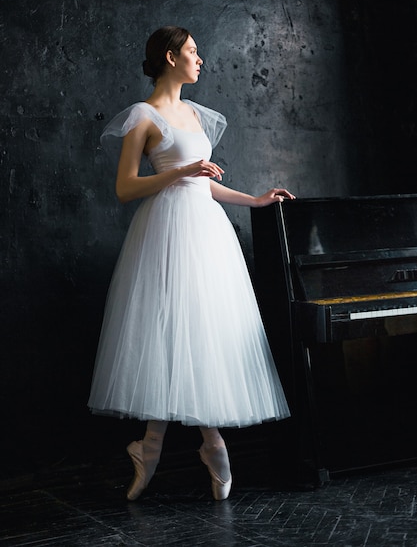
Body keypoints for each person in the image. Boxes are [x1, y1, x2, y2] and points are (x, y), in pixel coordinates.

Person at [88, 26, 295, 502]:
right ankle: (205, 444)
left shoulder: (196, 115)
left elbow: (207, 183)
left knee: (199, 335)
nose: (201, 60)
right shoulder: (144, 116)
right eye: (193, 52)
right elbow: (125, 188)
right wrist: (179, 170)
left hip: (206, 231)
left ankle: (155, 445)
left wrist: (256, 200)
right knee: (171, 332)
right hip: (166, 232)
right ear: (169, 56)